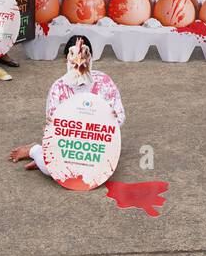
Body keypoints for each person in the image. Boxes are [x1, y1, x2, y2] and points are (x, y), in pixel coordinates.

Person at [8, 34, 124, 177]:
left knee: (100, 172)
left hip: (97, 146)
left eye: (84, 56)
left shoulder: (104, 82)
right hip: (69, 147)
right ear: (66, 59)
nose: (80, 62)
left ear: (91, 58)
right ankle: (36, 151)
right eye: (73, 56)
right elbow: (53, 126)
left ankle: (40, 156)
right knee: (52, 170)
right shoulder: (58, 88)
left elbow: (120, 116)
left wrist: (111, 117)